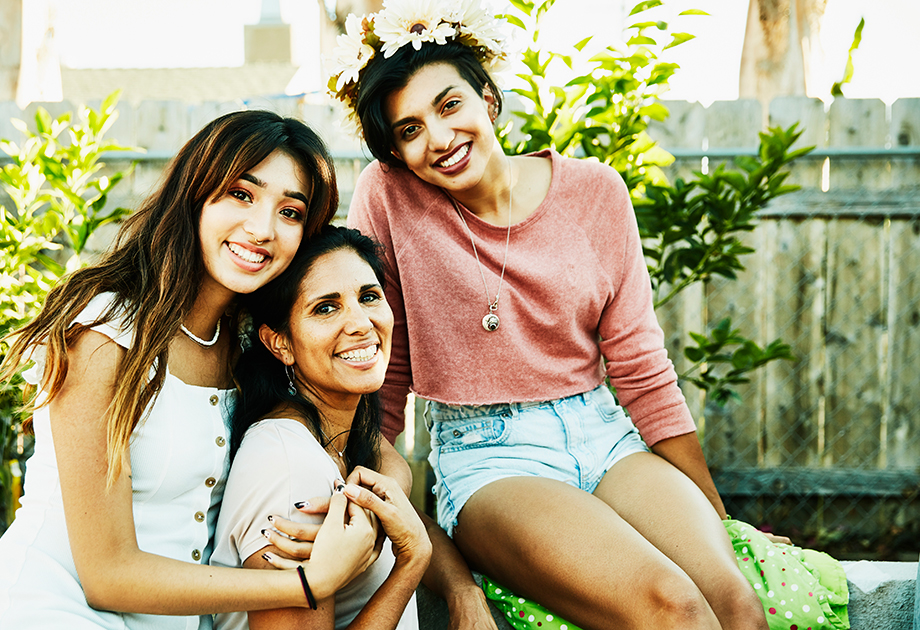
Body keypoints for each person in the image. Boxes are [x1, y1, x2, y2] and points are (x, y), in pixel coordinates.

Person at [329, 2, 773, 629]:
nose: (438, 138)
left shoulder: (596, 192)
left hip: (603, 436)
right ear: (396, 151)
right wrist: (451, 579)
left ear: (487, 97)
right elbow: (384, 374)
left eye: (450, 105)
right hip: (489, 457)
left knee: (738, 606)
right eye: (409, 130)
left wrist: (718, 521)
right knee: (673, 608)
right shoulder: (389, 196)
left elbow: (644, 368)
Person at [0, 110, 383, 630]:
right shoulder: (105, 332)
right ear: (195, 191)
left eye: (291, 211)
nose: (262, 228)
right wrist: (307, 583)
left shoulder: (249, 346)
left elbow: (363, 442)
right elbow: (106, 573)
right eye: (241, 193)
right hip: (54, 610)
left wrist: (376, 507)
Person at [212, 226, 429, 630]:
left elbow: (386, 455)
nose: (361, 323)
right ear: (280, 344)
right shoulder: (293, 469)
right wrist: (412, 561)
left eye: (368, 297)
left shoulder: (337, 434)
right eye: (326, 308)